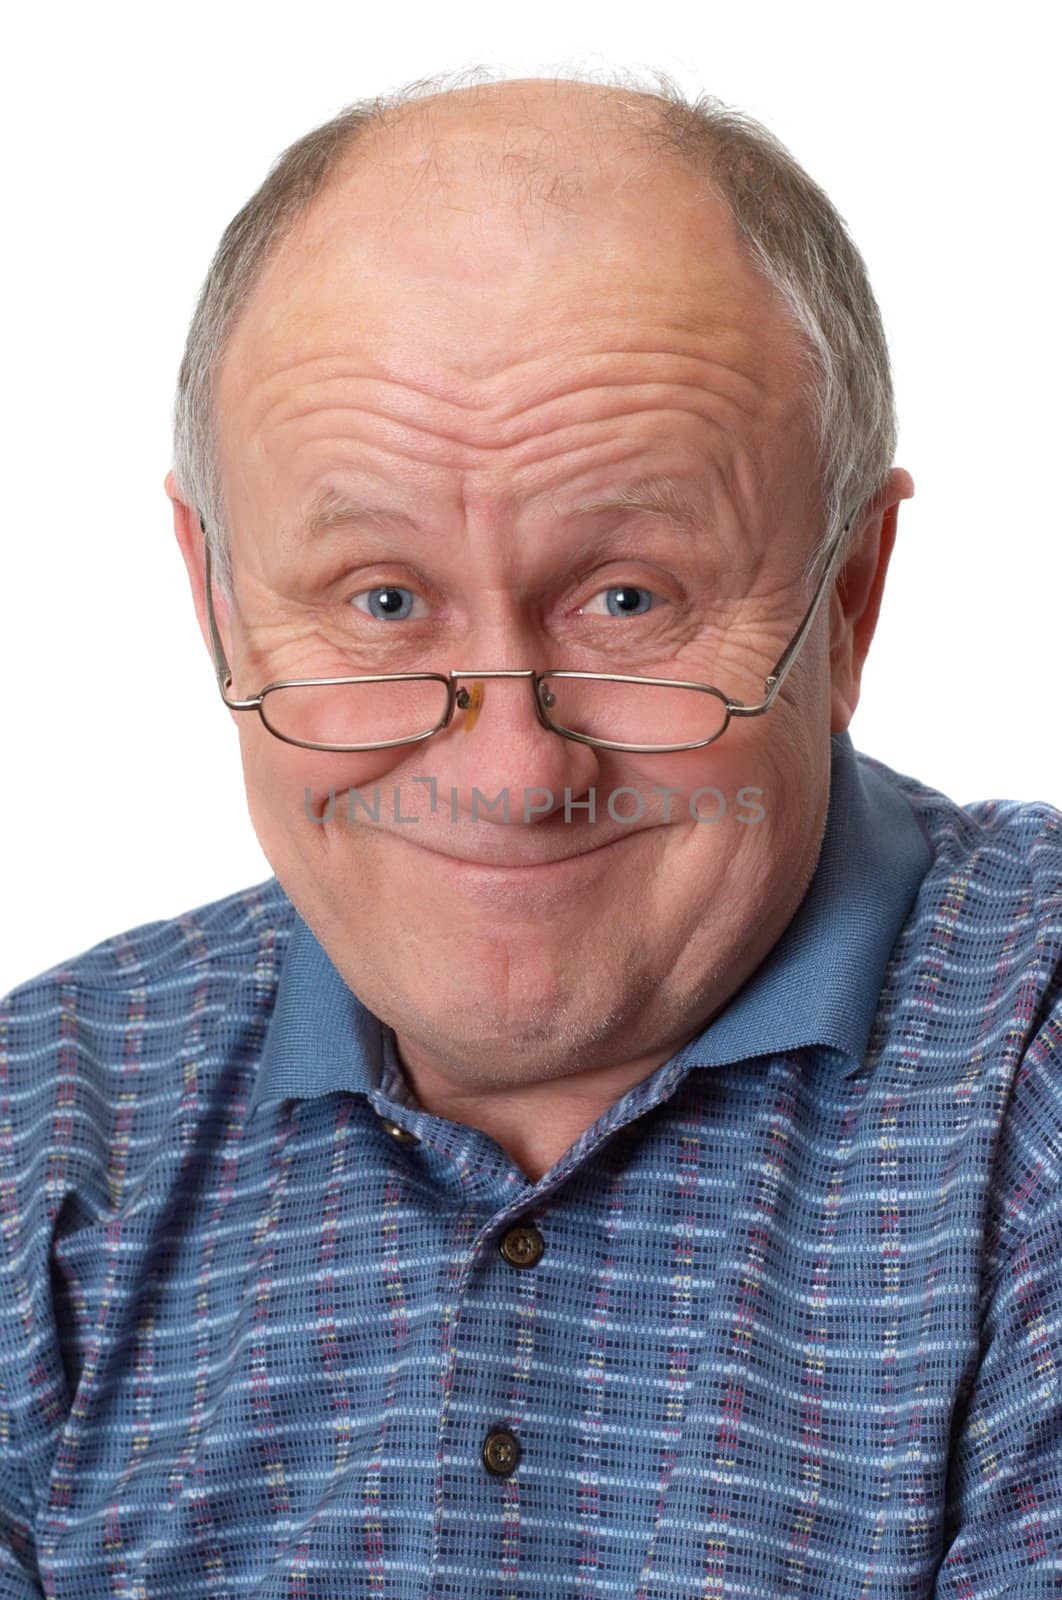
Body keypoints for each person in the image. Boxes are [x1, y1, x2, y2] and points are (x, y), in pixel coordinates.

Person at [1, 67, 1058, 1600]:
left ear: (848, 600)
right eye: (380, 600)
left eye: (627, 600)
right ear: (216, 601)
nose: (509, 774)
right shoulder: (35, 1128)